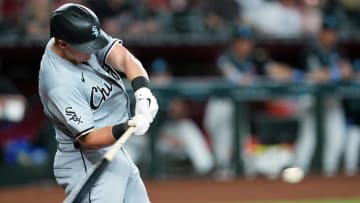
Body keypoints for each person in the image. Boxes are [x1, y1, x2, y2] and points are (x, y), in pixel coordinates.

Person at [38, 3, 158, 203]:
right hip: (84, 160)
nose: (91, 52)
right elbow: (89, 139)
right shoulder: (58, 83)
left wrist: (142, 92)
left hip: (113, 151)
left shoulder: (80, 35)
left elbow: (125, 58)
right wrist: (127, 126)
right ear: (62, 43)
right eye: (85, 48)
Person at [204, 26, 295, 180]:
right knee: (222, 149)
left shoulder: (254, 59)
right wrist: (251, 80)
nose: (246, 45)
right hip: (221, 106)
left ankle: (240, 181)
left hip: (239, 108)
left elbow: (275, 70)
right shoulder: (225, 58)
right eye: (242, 42)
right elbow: (235, 78)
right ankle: (219, 178)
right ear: (235, 43)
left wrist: (296, 74)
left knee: (243, 146)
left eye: (248, 42)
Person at [294, 15, 352, 176]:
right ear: (321, 33)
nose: (330, 36)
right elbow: (315, 75)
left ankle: (328, 176)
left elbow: (348, 72)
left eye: (333, 32)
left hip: (332, 99)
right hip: (312, 99)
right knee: (308, 139)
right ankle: (298, 175)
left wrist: (332, 73)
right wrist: (336, 72)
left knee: (337, 139)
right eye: (327, 32)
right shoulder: (311, 50)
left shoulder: (338, 52)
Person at [150, 58, 214, 176]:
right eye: (157, 74)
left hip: (169, 132)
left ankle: (206, 168)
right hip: (149, 137)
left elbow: (182, 114)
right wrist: (168, 137)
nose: (161, 78)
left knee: (187, 127)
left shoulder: (172, 93)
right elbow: (143, 128)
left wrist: (172, 102)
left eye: (164, 74)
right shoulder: (143, 93)